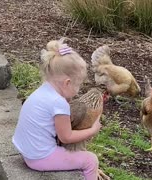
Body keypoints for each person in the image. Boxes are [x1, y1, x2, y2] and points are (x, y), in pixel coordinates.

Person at [12, 39, 102, 180]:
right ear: (67, 83)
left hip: (27, 151)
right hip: (40, 157)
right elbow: (66, 137)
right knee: (91, 160)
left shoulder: (43, 90)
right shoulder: (59, 104)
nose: (78, 91)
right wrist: (93, 130)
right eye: (78, 85)